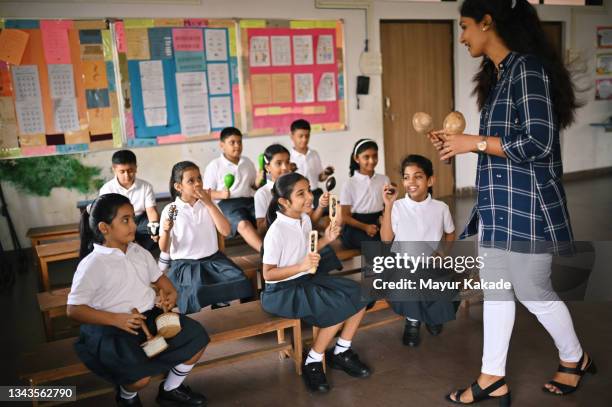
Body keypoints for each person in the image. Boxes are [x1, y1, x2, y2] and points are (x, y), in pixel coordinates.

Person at [428, 1, 595, 404]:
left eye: (465, 26)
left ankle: (575, 359)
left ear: (489, 22)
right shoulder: (498, 75)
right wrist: (461, 145)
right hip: (497, 204)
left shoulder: (528, 70)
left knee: (533, 290)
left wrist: (475, 143)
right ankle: (492, 377)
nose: (462, 35)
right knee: (498, 288)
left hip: (529, 205)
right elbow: (504, 145)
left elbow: (539, 143)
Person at [67, 193, 208, 407]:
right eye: (125, 220)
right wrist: (116, 319)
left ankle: (171, 389)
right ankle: (126, 397)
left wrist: (171, 294)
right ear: (105, 228)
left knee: (197, 338)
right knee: (139, 379)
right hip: (110, 328)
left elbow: (162, 281)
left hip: (147, 317)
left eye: (133, 218)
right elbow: (74, 310)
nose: (133, 224)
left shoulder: (137, 251)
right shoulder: (93, 264)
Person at [261, 172, 371, 393]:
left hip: (304, 280)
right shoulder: (276, 232)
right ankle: (313, 359)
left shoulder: (302, 219)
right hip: (282, 291)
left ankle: (341, 350)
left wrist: (327, 240)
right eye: (301, 193)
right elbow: (268, 274)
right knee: (337, 308)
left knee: (362, 293)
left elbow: (306, 251)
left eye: (309, 190)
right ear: (284, 201)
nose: (310, 196)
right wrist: (300, 267)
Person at [380, 154, 457, 347]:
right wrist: (388, 206)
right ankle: (413, 321)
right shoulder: (396, 207)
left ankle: (432, 317)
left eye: (418, 176)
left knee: (449, 280)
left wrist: (444, 253)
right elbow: (386, 239)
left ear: (430, 180)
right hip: (403, 264)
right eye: (406, 177)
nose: (411, 182)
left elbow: (450, 232)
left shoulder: (441, 208)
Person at [160, 161, 253, 313]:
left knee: (240, 280)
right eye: (191, 181)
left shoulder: (209, 204)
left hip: (214, 261)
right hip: (186, 265)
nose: (197, 184)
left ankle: (221, 306)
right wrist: (166, 231)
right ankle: (195, 320)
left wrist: (209, 203)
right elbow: (164, 249)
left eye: (199, 179)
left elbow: (226, 231)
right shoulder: (172, 209)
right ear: (178, 187)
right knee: (194, 292)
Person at [203, 127, 263, 252]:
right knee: (243, 224)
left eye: (239, 142)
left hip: (249, 201)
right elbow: (206, 193)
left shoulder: (247, 162)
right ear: (222, 145)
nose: (237, 146)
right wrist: (220, 194)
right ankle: (266, 254)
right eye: (232, 142)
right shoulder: (214, 165)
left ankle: (279, 250)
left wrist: (258, 180)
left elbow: (253, 186)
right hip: (227, 204)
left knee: (266, 218)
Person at [99, 150, 159, 251]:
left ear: (136, 168)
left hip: (140, 220)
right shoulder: (107, 189)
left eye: (130, 170)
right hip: (118, 220)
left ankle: (138, 250)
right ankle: (135, 249)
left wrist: (155, 230)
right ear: (114, 169)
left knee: (155, 228)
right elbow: (107, 216)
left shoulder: (145, 186)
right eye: (122, 171)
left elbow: (151, 211)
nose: (127, 175)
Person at [340, 139, 389, 250]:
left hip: (379, 222)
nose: (371, 161)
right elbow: (345, 216)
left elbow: (387, 207)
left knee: (397, 240)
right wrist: (365, 227)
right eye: (366, 157)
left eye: (375, 156)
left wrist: (384, 220)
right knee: (377, 246)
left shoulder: (384, 180)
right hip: (357, 225)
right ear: (357, 158)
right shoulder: (349, 184)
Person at [289, 119, 334, 208]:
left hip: (315, 193)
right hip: (298, 197)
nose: (304, 139)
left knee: (327, 216)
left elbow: (320, 178)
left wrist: (326, 173)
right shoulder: (289, 157)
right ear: (292, 136)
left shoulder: (314, 154)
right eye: (300, 136)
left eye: (307, 136)